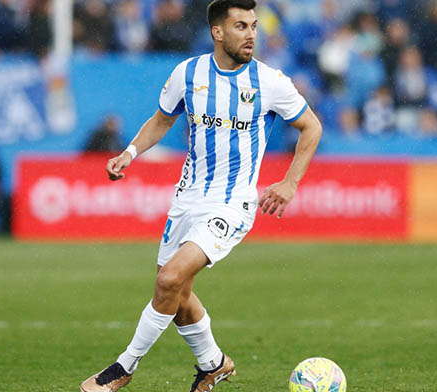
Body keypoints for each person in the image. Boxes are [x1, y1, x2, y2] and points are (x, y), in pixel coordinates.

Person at [80, 1, 322, 391]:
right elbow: (161, 119)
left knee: (170, 280)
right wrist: (129, 153)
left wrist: (290, 182)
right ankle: (214, 364)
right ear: (218, 32)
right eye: (240, 25)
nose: (251, 34)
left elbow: (311, 127)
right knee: (176, 294)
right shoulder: (188, 74)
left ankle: (122, 369)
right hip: (187, 199)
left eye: (254, 25)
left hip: (233, 203)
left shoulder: (271, 82)